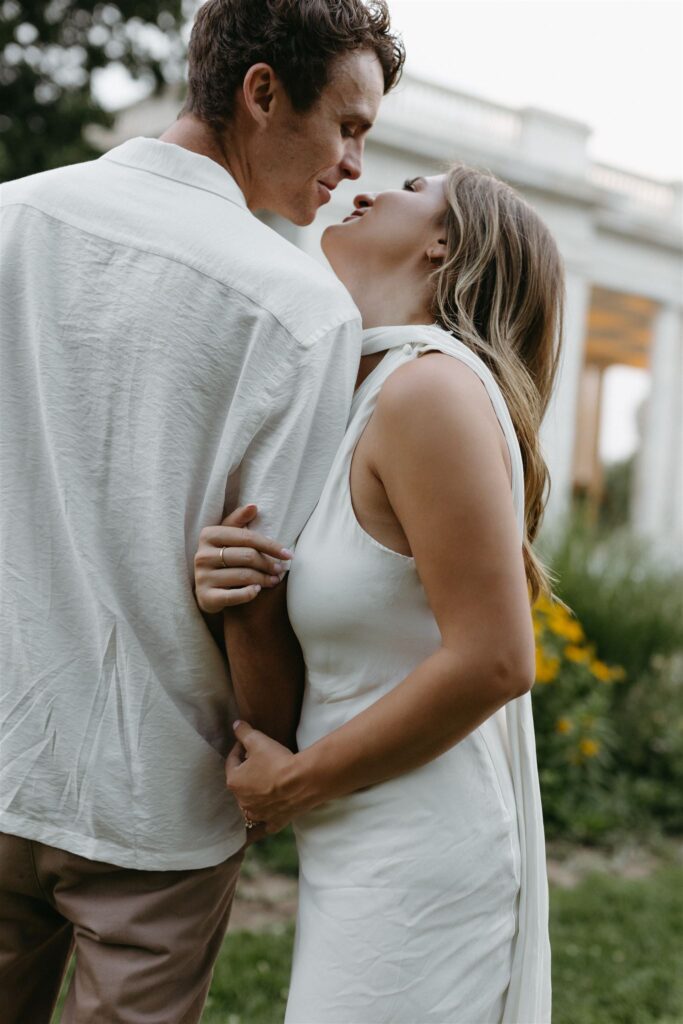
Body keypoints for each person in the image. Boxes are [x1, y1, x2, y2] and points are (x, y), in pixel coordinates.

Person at [0, 1, 404, 1021]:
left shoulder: (11, 217)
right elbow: (268, 594)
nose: (355, 165)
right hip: (159, 806)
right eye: (348, 126)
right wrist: (270, 747)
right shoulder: (301, 308)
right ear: (261, 92)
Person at [195, 165, 564, 1023]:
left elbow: (497, 660)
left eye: (409, 184)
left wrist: (296, 786)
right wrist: (236, 585)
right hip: (360, 848)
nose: (364, 188)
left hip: (422, 864)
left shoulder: (430, 391)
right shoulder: (368, 393)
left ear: (445, 239)